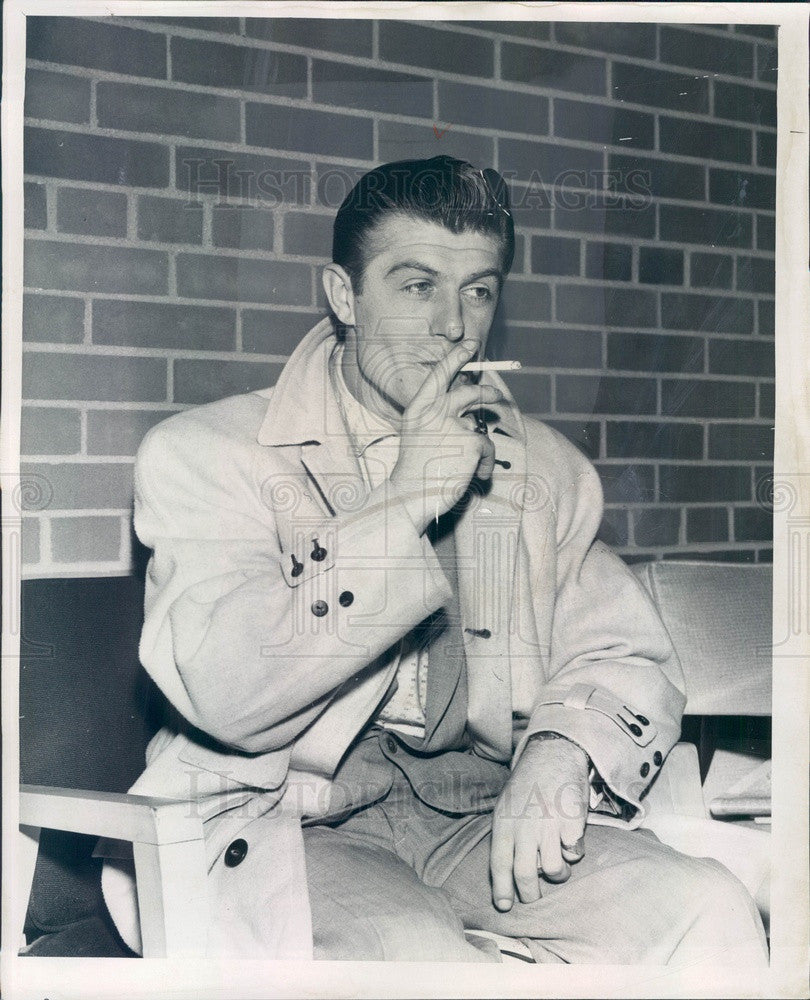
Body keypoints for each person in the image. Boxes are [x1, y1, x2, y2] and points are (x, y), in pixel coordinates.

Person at [101, 156, 768, 965]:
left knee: (708, 908)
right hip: (286, 820)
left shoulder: (541, 469)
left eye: (478, 290)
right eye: (417, 286)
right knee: (419, 957)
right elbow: (223, 689)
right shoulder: (209, 455)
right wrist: (405, 500)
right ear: (343, 296)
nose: (455, 326)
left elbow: (618, 644)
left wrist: (560, 750)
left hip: (474, 819)